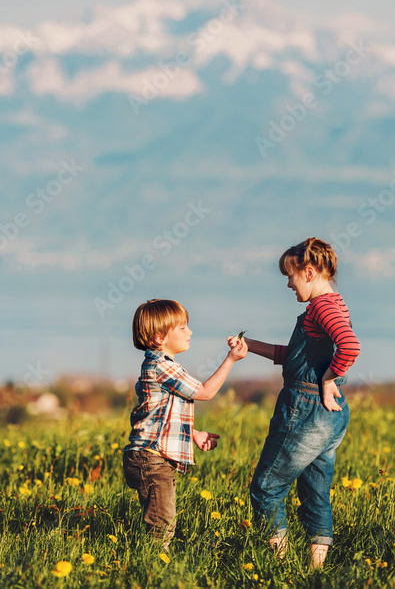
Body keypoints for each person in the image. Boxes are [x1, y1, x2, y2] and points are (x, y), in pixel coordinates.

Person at [230, 237, 360, 567]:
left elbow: (349, 346)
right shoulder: (334, 303)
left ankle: (281, 567)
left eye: (290, 276)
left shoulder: (321, 307)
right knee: (315, 491)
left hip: (305, 409)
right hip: (329, 415)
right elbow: (295, 357)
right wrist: (251, 345)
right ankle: (315, 572)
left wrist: (329, 379)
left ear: (309, 271)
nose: (288, 284)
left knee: (266, 488)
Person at [122, 299, 247, 550]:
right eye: (182, 328)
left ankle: (151, 561)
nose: (189, 332)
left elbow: (159, 416)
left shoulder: (156, 365)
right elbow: (205, 392)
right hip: (152, 459)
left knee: (159, 517)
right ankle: (153, 567)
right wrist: (230, 360)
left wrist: (193, 433)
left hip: (148, 455)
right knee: (162, 523)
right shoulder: (163, 367)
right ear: (160, 337)